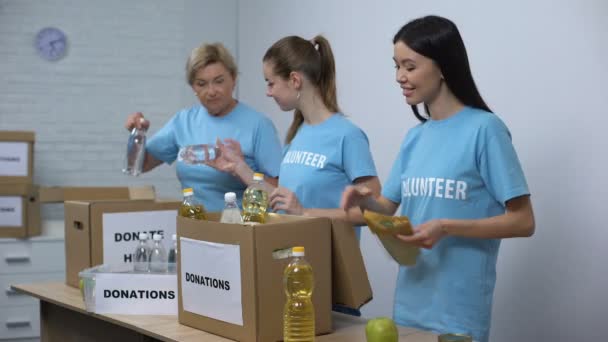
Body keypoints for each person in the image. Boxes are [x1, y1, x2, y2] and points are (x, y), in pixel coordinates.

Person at [340, 16, 535, 342]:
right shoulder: (415, 138)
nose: (400, 77)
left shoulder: (485, 130)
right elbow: (387, 209)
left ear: (443, 66)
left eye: (410, 66)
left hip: (459, 316)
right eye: (396, 66)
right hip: (407, 311)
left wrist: (447, 227)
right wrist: (365, 201)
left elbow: (523, 221)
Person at [212, 35, 380, 223]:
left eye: (271, 83)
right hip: (291, 249)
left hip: (325, 252)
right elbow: (283, 201)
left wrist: (304, 212)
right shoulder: (298, 133)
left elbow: (374, 213)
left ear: (294, 80)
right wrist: (239, 168)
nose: (268, 92)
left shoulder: (348, 136)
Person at [124, 42, 282, 211]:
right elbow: (142, 165)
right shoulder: (184, 122)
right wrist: (137, 134)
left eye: (219, 81)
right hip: (194, 226)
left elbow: (277, 189)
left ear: (233, 79)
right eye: (202, 84)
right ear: (193, 87)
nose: (211, 91)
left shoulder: (258, 125)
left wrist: (242, 170)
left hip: (241, 228)